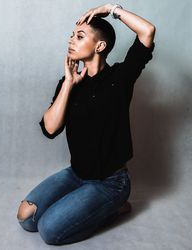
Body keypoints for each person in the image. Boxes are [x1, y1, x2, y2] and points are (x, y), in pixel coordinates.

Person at [16, 3, 155, 245]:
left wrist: (110, 9)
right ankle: (88, 203)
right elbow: (50, 129)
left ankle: (113, 207)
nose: (71, 40)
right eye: (72, 35)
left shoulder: (120, 78)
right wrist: (69, 84)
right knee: (26, 218)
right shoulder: (69, 84)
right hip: (76, 174)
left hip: (110, 182)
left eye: (80, 37)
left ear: (100, 46)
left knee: (50, 231)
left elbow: (147, 31)